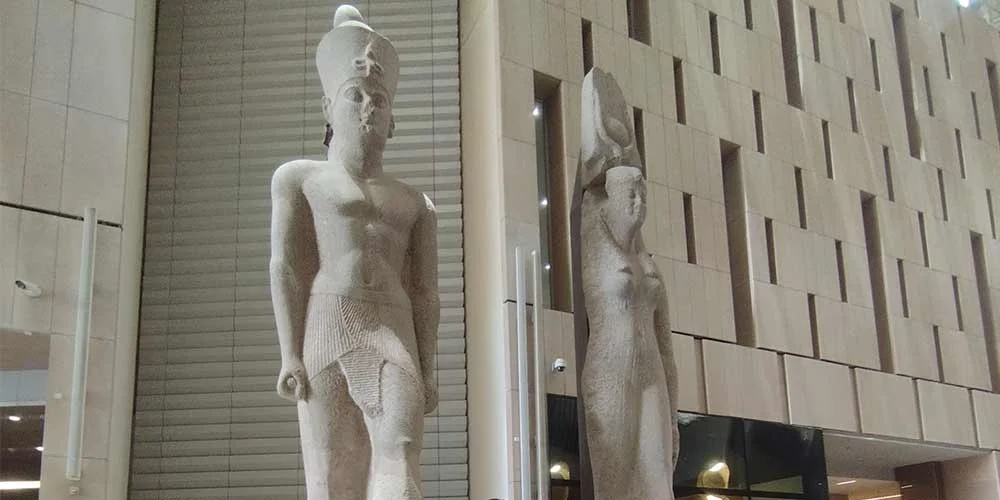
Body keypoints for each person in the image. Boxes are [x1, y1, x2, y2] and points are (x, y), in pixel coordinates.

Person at [268, 5, 439, 499]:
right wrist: (289, 353)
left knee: (400, 449)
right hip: (328, 320)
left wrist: (428, 368)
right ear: (328, 108)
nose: (367, 108)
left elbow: (426, 292)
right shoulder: (300, 179)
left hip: (392, 329)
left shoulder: (416, 204)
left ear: (393, 121)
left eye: (379, 101)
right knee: (335, 472)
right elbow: (287, 266)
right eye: (355, 96)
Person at [579, 68, 678, 500]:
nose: (638, 205)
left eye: (643, 196)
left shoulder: (647, 259)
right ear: (612, 199)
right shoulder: (595, 233)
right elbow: (593, 189)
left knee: (659, 482)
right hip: (611, 369)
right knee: (614, 484)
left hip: (652, 372)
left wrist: (675, 412)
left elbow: (667, 346)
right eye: (629, 196)